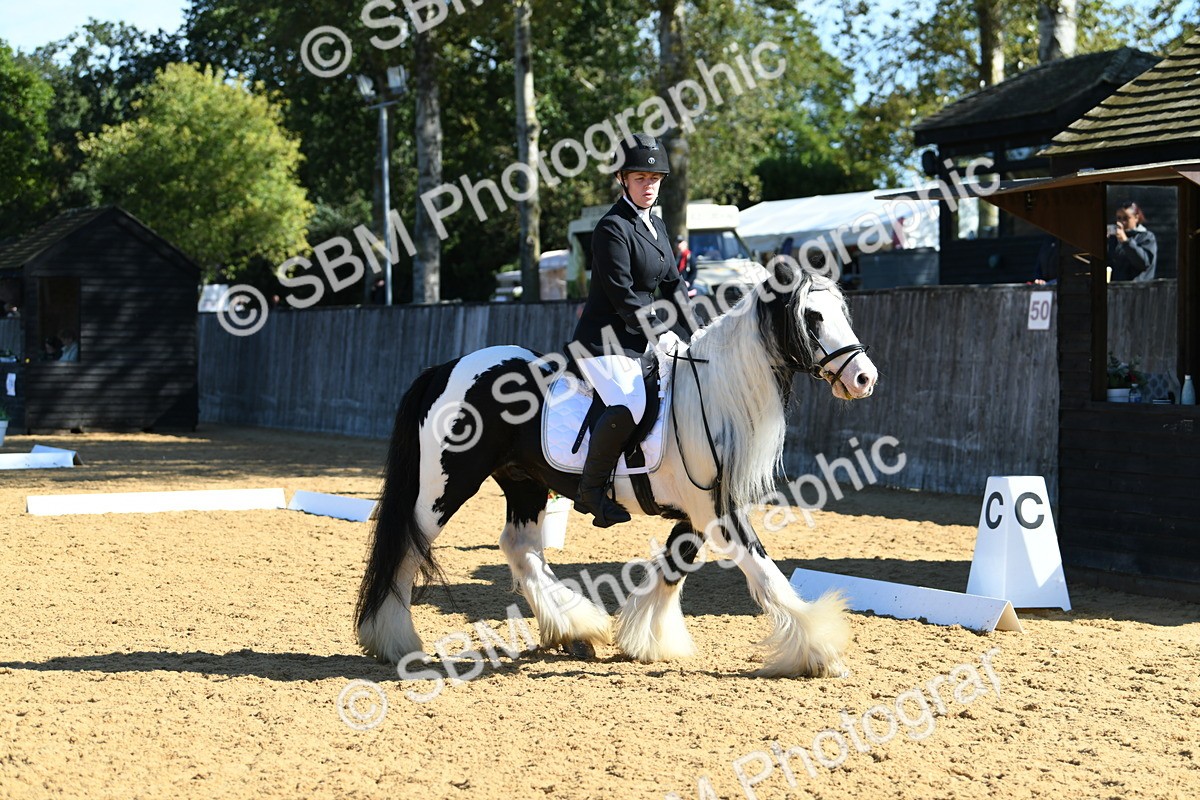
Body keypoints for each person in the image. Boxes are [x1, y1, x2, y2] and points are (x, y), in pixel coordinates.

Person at [570, 133, 699, 527]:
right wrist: (661, 333)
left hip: (641, 339)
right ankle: (590, 493)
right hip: (605, 342)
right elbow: (624, 296)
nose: (649, 185)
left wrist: (697, 332)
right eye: (640, 178)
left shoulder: (657, 226)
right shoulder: (612, 228)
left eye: (655, 178)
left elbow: (673, 284)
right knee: (631, 403)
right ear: (623, 180)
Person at [1107, 200, 1157, 281]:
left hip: (1139, 288)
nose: (1122, 222)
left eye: (1126, 218)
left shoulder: (1146, 237)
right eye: (1119, 218)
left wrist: (1126, 241)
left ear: (1136, 217)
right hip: (1117, 287)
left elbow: (1144, 263)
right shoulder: (1114, 239)